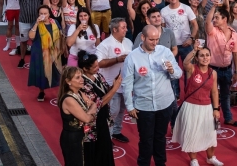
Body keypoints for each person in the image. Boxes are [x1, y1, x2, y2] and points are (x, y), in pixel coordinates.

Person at [123, 25, 182, 166]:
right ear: (142, 38)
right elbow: (127, 83)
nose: (155, 43)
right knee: (146, 140)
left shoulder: (165, 52)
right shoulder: (132, 57)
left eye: (157, 39)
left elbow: (178, 74)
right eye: (151, 40)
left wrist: (172, 70)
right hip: (144, 107)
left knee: (160, 138)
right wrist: (130, 106)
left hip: (164, 104)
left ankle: (160, 163)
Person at [171, 42, 223, 166]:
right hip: (191, 107)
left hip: (206, 108)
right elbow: (185, 63)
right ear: (197, 57)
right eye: (202, 55)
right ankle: (193, 160)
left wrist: (216, 108)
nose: (205, 58)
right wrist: (194, 50)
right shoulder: (192, 69)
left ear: (210, 57)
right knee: (192, 133)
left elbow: (214, 92)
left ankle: (210, 157)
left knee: (210, 134)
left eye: (207, 55)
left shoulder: (213, 73)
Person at [78, 49, 121, 166]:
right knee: (94, 152)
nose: (98, 68)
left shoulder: (98, 76)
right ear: (85, 69)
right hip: (92, 122)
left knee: (105, 149)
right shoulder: (83, 84)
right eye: (95, 66)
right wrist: (115, 89)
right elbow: (97, 104)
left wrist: (115, 83)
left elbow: (106, 91)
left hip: (103, 119)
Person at [95, 18, 133, 143]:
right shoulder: (104, 44)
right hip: (111, 84)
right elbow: (98, 63)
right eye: (123, 27)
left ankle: (116, 131)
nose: (126, 29)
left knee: (121, 109)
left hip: (125, 83)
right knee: (113, 111)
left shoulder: (128, 42)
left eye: (126, 27)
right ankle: (107, 136)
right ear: (115, 29)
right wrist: (117, 59)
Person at [160, 0, 198, 100]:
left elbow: (195, 25)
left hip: (186, 44)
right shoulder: (164, 11)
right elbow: (163, 29)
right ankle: (174, 94)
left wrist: (191, 38)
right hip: (172, 45)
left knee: (189, 69)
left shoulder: (186, 8)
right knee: (173, 70)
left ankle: (188, 92)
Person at [203, 2, 237, 127]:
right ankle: (211, 119)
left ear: (225, 19)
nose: (214, 19)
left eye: (217, 17)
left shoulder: (234, 34)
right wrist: (213, 7)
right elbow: (207, 23)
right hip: (213, 69)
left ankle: (228, 118)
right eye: (214, 17)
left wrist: (236, 72)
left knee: (226, 95)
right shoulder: (212, 31)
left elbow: (235, 54)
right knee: (211, 95)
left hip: (227, 69)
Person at [57, 66, 98, 166]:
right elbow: (87, 119)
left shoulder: (79, 93)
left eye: (81, 76)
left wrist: (87, 115)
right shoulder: (69, 99)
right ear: (68, 81)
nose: (82, 80)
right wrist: (88, 116)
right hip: (72, 140)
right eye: (78, 77)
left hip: (81, 136)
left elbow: (94, 104)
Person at [27, 5, 64, 102]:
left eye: (45, 13)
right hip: (40, 52)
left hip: (55, 51)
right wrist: (36, 23)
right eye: (41, 13)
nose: (43, 15)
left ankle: (61, 93)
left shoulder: (54, 22)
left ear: (49, 14)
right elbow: (31, 36)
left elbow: (60, 34)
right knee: (42, 73)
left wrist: (62, 47)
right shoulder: (37, 24)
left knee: (57, 72)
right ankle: (41, 91)